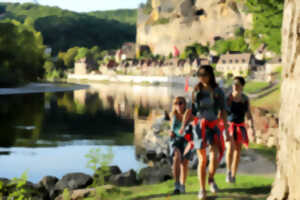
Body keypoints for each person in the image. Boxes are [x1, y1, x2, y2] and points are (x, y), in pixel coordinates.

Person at [180, 65, 229, 200]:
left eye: (204, 74)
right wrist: (183, 125)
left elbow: (223, 111)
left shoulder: (218, 91)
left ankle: (211, 179)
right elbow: (190, 110)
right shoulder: (196, 91)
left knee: (214, 157)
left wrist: (226, 130)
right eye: (199, 75)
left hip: (213, 125)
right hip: (199, 127)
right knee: (202, 160)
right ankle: (202, 190)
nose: (201, 77)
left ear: (210, 75)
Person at [225, 76, 256, 183]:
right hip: (230, 126)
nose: (234, 85)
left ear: (242, 86)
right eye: (233, 83)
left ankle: (233, 175)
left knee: (238, 152)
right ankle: (228, 172)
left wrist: (252, 128)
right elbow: (223, 113)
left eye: (237, 84)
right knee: (230, 148)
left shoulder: (245, 99)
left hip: (241, 127)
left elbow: (248, 114)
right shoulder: (228, 98)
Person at [169, 96, 192, 195]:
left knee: (184, 163)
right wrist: (171, 132)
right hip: (176, 140)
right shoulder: (173, 114)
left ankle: (183, 185)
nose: (178, 105)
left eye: (180, 103)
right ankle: (176, 185)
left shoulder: (189, 114)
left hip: (187, 140)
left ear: (185, 104)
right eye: (176, 103)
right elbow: (172, 129)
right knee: (177, 158)